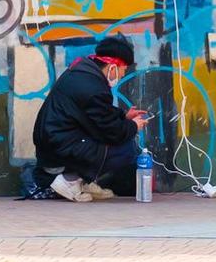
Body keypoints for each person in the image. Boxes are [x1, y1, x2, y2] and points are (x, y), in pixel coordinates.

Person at [32, 34, 150, 202]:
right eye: (124, 69)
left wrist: (123, 117)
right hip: (59, 148)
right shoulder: (92, 86)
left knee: (113, 139)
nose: (123, 74)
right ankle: (70, 182)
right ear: (112, 67)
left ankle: (82, 182)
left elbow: (96, 115)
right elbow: (110, 131)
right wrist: (132, 126)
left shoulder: (83, 72)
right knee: (125, 148)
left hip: (55, 143)